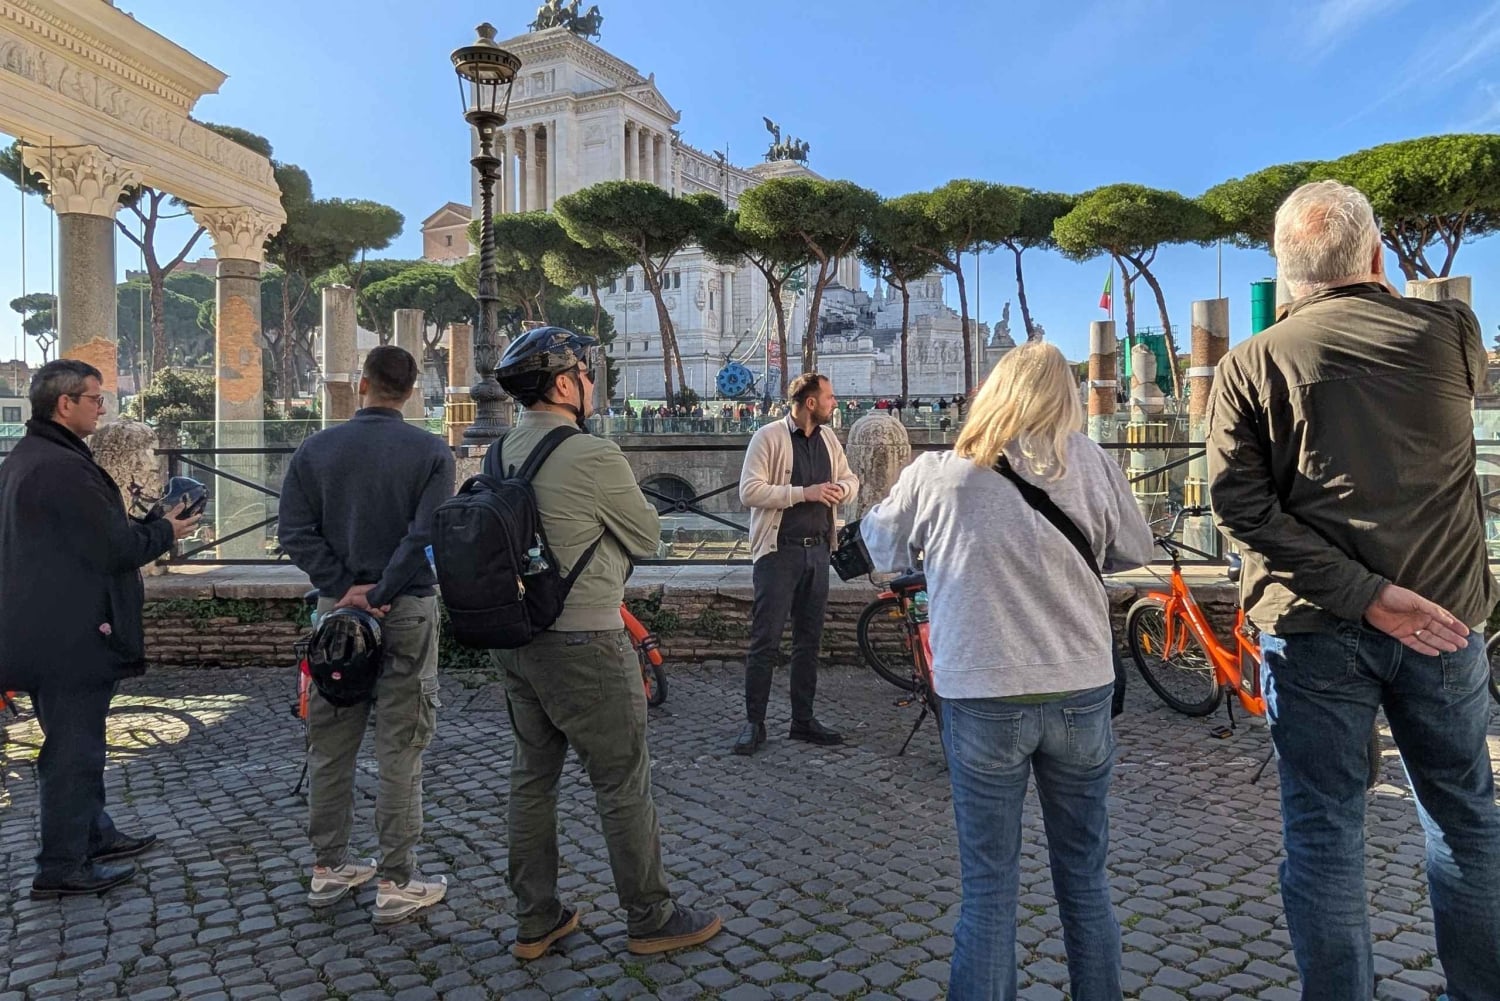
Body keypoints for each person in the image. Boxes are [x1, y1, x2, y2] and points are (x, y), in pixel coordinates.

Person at [1207, 180, 1500, 999]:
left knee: (1326, 833)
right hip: (1441, 621)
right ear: (1376, 256)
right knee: (1464, 821)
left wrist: (1362, 594)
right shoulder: (1448, 330)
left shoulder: (1246, 366)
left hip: (1310, 631)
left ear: (1284, 272)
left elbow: (1238, 506)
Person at [862, 341, 1151, 1000]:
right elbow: (1134, 547)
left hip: (982, 691)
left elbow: (877, 543)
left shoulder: (940, 471)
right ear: (1065, 397)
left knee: (989, 889)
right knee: (1085, 878)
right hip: (1079, 685)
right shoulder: (1090, 461)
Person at [487, 326, 722, 959]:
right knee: (621, 781)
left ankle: (536, 918)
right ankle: (651, 914)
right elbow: (647, 537)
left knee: (532, 779)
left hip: (517, 640)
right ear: (564, 384)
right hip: (586, 638)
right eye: (588, 375)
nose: (594, 384)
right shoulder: (593, 455)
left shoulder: (501, 451)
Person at [0, 360, 199, 899]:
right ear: (65, 404)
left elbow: (76, 536)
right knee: (74, 750)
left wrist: (141, 524)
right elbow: (112, 549)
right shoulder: (61, 467)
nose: (103, 407)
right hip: (71, 633)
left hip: (44, 625)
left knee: (75, 741)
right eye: (94, 398)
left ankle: (96, 835)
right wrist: (165, 529)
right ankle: (61, 866)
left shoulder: (31, 458)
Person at [278, 346, 455, 924]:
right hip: (404, 606)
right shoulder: (431, 451)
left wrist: (343, 587)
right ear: (411, 391)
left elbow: (293, 531)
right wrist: (379, 591)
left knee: (329, 745)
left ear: (362, 385)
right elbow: (426, 533)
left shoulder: (316, 448)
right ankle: (397, 879)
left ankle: (328, 869)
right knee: (401, 745)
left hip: (336, 611)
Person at [733, 373, 859, 755]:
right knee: (765, 641)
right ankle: (754, 723)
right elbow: (748, 491)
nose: (835, 402)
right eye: (830, 397)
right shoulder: (768, 437)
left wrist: (842, 490)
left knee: (809, 641)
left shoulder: (828, 439)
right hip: (778, 553)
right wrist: (805, 493)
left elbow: (851, 478)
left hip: (818, 553)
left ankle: (802, 721)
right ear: (810, 403)